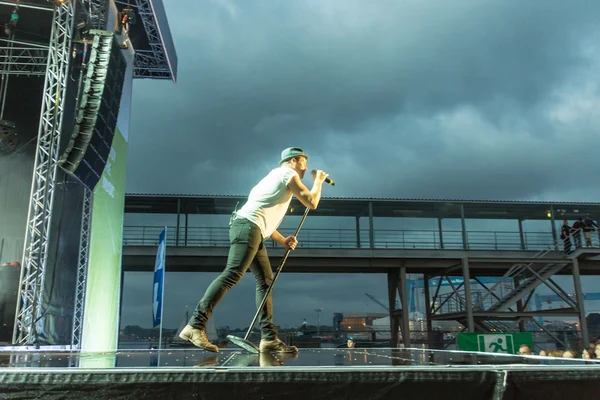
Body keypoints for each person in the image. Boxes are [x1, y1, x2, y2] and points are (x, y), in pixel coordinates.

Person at [179, 148, 329, 353]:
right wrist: (319, 181)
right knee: (233, 274)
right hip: (248, 227)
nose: (306, 167)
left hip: (252, 228)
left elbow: (264, 216)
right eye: (303, 162)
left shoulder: (273, 177)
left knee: (266, 282)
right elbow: (311, 202)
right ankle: (194, 326)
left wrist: (283, 240)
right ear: (293, 161)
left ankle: (269, 339)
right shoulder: (287, 174)